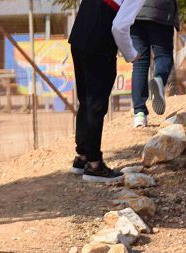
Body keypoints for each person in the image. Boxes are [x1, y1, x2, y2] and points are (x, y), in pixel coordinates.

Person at [67, 0, 143, 183]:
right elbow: (120, 26)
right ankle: (94, 164)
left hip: (79, 37)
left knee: (86, 100)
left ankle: (82, 156)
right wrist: (131, 54)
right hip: (99, 43)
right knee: (96, 104)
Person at [130, 0, 178, 128]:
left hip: (134, 12)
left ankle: (139, 114)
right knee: (163, 55)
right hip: (160, 11)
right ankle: (159, 79)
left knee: (139, 63)